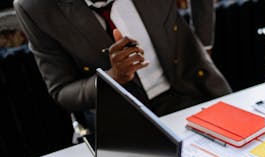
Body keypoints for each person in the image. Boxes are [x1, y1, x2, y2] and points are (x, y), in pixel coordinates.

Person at [13, 0, 231, 129]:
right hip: (120, 123)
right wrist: (112, 78)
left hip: (190, 91)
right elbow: (62, 91)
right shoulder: (35, 7)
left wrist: (203, 45)